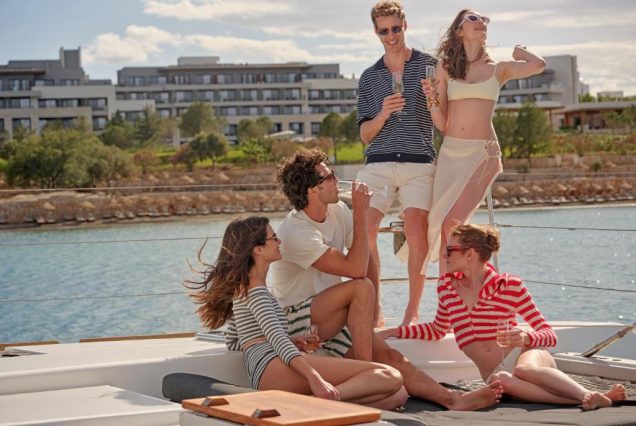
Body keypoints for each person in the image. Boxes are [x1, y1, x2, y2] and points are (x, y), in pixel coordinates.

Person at [270, 148, 503, 410]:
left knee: (392, 358)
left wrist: (369, 312)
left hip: (331, 316)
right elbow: (356, 270)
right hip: (296, 320)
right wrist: (361, 213)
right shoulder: (297, 232)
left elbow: (366, 255)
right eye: (329, 176)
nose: (336, 179)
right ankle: (369, 375)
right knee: (360, 287)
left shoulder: (337, 212)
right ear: (313, 190)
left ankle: (453, 400)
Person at [379, 224, 628, 410]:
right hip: (498, 375)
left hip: (527, 356)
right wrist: (395, 331)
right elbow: (437, 329)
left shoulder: (509, 286)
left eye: (450, 250)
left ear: (470, 254)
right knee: (500, 379)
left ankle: (585, 395)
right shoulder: (446, 287)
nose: (444, 255)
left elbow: (549, 335)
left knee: (524, 369)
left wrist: (525, 338)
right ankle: (592, 398)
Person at [185, 216, 408, 410]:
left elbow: (234, 342)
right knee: (390, 376)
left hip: (267, 371)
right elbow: (277, 340)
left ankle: (324, 406)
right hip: (273, 369)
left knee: (396, 396)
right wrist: (315, 378)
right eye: (273, 238)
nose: (279, 242)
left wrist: (292, 341)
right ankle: (315, 403)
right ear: (258, 250)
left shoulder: (244, 290)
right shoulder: (257, 292)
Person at [421, 9, 546, 276]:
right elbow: (442, 124)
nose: (481, 22)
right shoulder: (446, 67)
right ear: (459, 31)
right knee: (442, 225)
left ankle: (472, 281)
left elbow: (538, 65)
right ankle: (448, 295)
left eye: (484, 19)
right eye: (473, 19)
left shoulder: (498, 68)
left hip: (482, 155)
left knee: (452, 222)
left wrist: (521, 51)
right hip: (451, 155)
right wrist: (431, 98)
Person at [357, 0, 437, 327]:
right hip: (378, 163)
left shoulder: (430, 66)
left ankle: (412, 312)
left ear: (405, 25)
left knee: (416, 228)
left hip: (418, 161)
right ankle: (375, 307)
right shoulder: (369, 77)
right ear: (376, 33)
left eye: (395, 28)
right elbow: (364, 135)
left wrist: (434, 97)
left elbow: (443, 113)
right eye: (383, 31)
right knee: (364, 229)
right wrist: (383, 113)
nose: (390, 36)